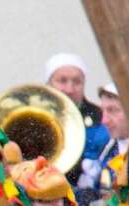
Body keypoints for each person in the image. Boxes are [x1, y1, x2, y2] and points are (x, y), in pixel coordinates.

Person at [44, 53, 111, 195]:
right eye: (62, 81)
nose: (70, 89)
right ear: (48, 84)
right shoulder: (35, 117)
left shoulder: (100, 118)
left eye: (77, 82)